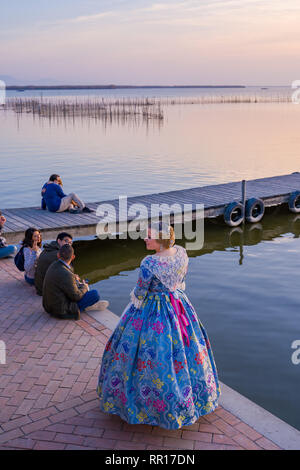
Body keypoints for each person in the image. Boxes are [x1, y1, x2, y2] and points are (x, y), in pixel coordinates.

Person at [97, 222, 220, 429]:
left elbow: (140, 292)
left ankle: (144, 406)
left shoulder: (148, 263)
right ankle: (192, 399)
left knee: (145, 354)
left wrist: (135, 300)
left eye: (149, 236)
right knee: (184, 351)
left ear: (160, 240)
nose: (145, 239)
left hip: (153, 310)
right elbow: (181, 280)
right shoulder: (181, 253)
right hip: (178, 305)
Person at [43, 244, 108, 320]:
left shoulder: (53, 265)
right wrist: (85, 287)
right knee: (95, 294)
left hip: (48, 307)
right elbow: (76, 296)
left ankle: (86, 306)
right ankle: (85, 307)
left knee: (79, 287)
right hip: (60, 310)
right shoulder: (67, 274)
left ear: (58, 255)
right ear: (73, 257)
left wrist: (75, 281)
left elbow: (64, 284)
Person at [35, 231, 73, 296]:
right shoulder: (59, 254)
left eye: (70, 243)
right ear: (59, 241)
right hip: (45, 291)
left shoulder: (48, 248)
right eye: (66, 241)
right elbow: (69, 273)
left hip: (39, 286)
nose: (68, 245)